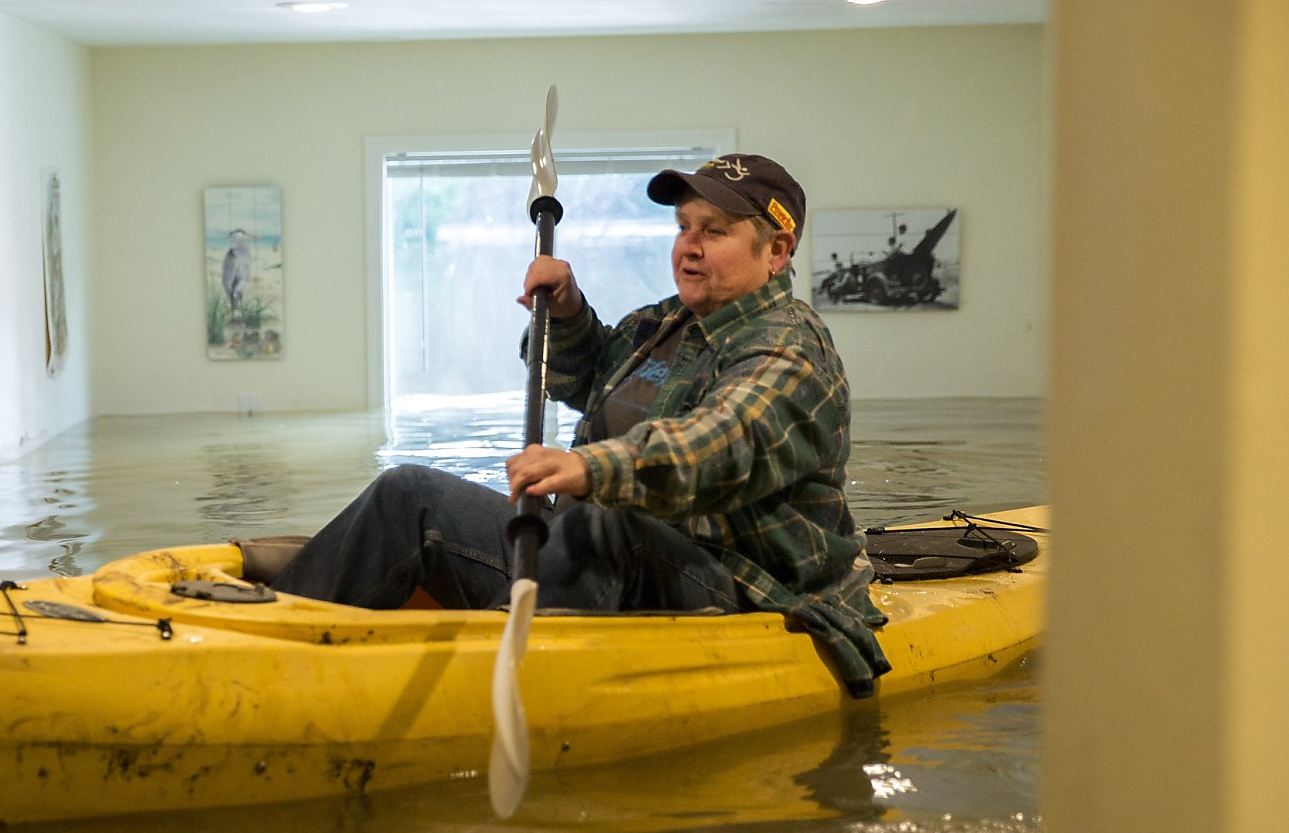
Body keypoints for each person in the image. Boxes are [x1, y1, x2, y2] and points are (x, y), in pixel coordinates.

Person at [270, 153, 887, 695]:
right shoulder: (661, 323)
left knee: (598, 520)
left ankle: (487, 675)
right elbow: (584, 381)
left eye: (715, 231)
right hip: (597, 556)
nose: (688, 245)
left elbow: (720, 446)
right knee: (408, 492)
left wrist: (591, 468)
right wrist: (565, 314)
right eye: (683, 227)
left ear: (777, 251)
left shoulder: (790, 347)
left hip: (741, 587)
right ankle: (270, 640)